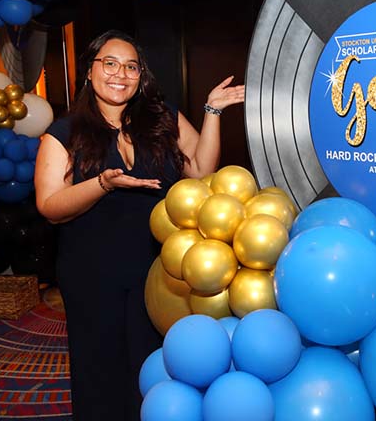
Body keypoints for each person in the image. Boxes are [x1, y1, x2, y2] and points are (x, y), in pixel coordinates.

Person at [34, 29, 244, 420]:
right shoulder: (65, 133)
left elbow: (200, 171)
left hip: (155, 270)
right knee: (100, 364)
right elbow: (50, 206)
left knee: (152, 363)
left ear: (141, 75)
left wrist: (213, 111)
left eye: (131, 66)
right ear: (90, 71)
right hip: (91, 269)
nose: (121, 73)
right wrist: (102, 183)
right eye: (110, 63)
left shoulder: (161, 117)